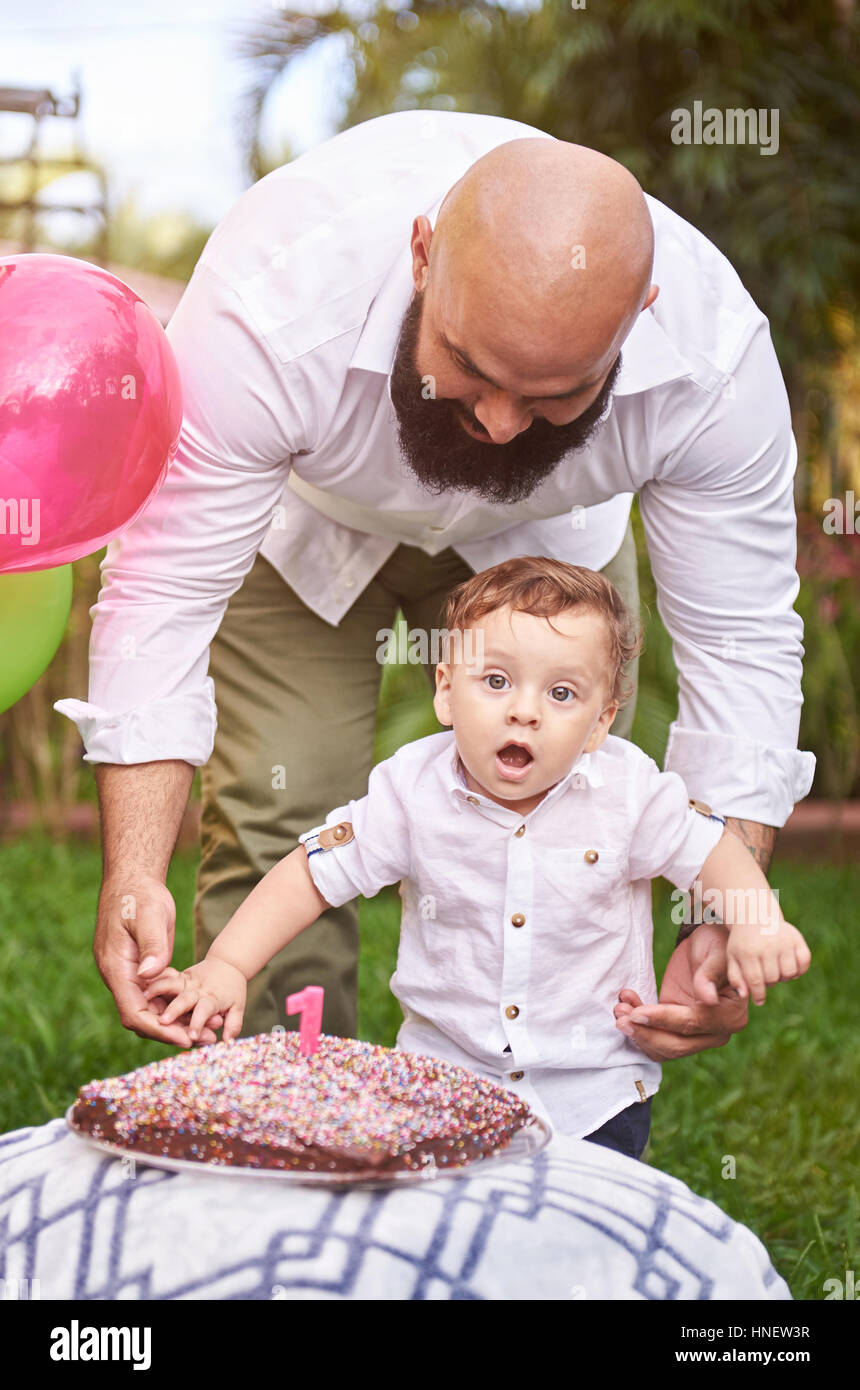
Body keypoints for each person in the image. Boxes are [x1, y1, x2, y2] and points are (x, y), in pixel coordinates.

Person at [54, 111, 815, 1060]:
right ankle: (290, 1127)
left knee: (570, 814)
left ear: (642, 314)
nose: (499, 424)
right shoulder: (277, 292)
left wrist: (720, 915)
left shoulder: (714, 361)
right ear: (422, 256)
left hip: (546, 554)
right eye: (468, 367)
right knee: (279, 820)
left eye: (554, 396)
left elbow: (740, 637)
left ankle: (550, 1109)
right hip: (306, 528)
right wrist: (133, 870)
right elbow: (163, 594)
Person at [141, 559, 810, 1160]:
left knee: (577, 1253)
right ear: (445, 692)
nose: (524, 712)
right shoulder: (410, 790)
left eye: (562, 695)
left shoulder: (628, 792)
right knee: (444, 1243)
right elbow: (310, 875)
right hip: (441, 1084)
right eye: (495, 681)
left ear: (601, 723)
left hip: (596, 1095)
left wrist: (756, 919)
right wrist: (227, 965)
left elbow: (710, 850)